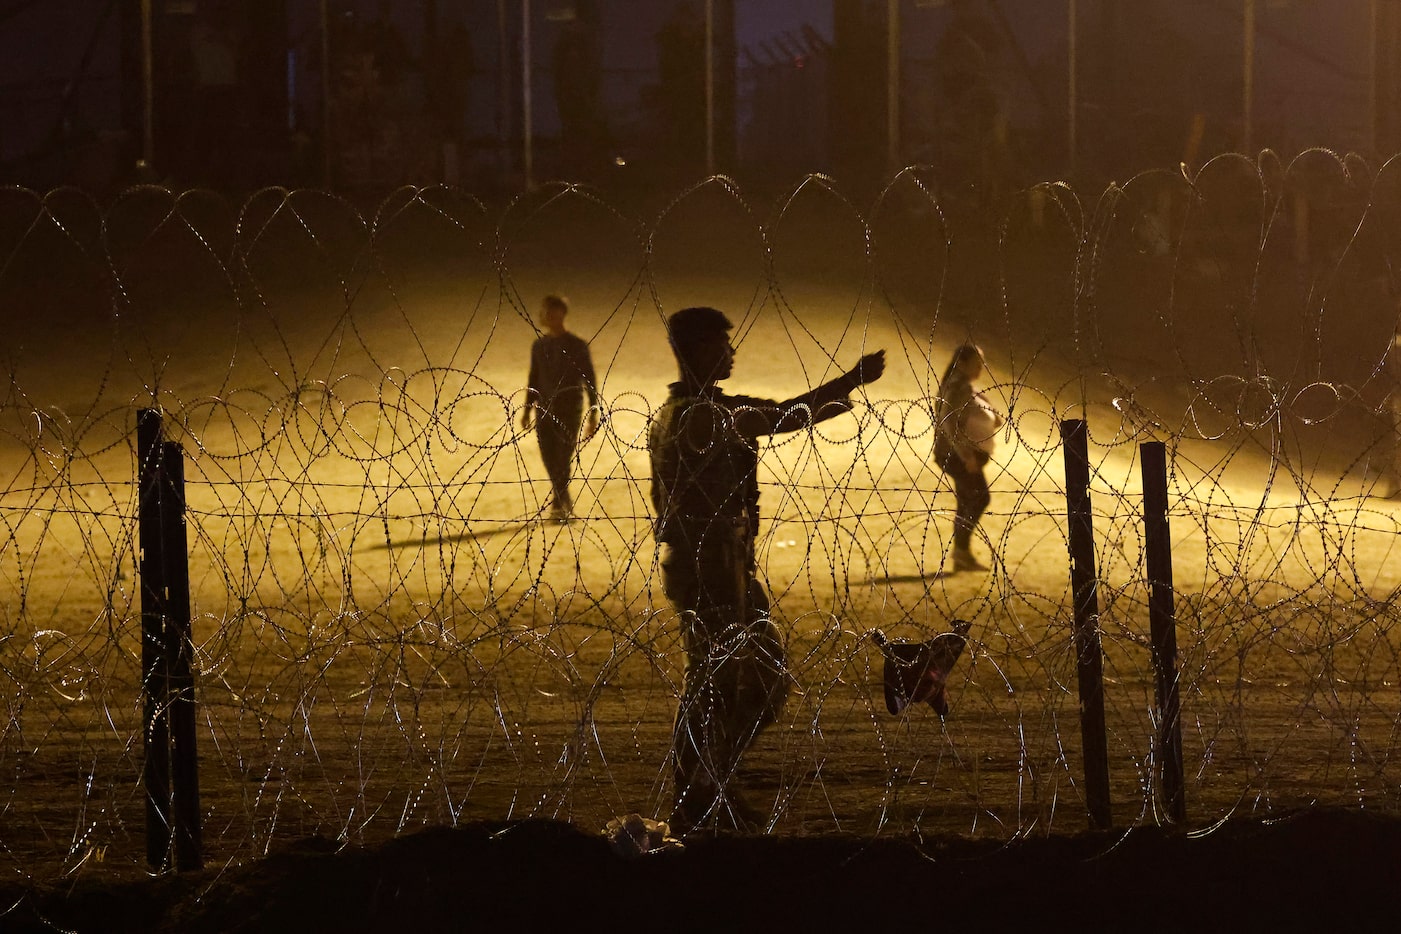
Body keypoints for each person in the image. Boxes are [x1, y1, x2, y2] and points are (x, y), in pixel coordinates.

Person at [648, 306, 885, 834]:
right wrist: (850, 381)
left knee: (739, 680)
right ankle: (699, 795)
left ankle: (707, 788)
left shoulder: (690, 410)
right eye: (722, 345)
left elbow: (776, 413)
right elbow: (778, 419)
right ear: (700, 350)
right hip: (708, 566)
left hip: (719, 564)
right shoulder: (699, 417)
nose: (732, 354)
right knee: (724, 682)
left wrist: (841, 389)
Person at [522, 295, 600, 521]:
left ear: (560, 314)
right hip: (544, 409)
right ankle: (562, 500)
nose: (542, 315)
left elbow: (590, 379)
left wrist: (593, 411)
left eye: (548, 311)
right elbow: (533, 378)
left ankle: (559, 504)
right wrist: (527, 409)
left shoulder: (577, 345)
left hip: (569, 410)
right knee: (549, 457)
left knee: (563, 457)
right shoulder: (539, 345)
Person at [934, 341, 1001, 572]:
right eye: (976, 363)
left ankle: (962, 554)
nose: (981, 368)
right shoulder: (957, 385)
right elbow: (948, 420)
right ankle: (961, 552)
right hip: (956, 455)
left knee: (967, 501)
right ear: (962, 363)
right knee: (979, 498)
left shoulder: (964, 385)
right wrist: (966, 455)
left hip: (958, 454)